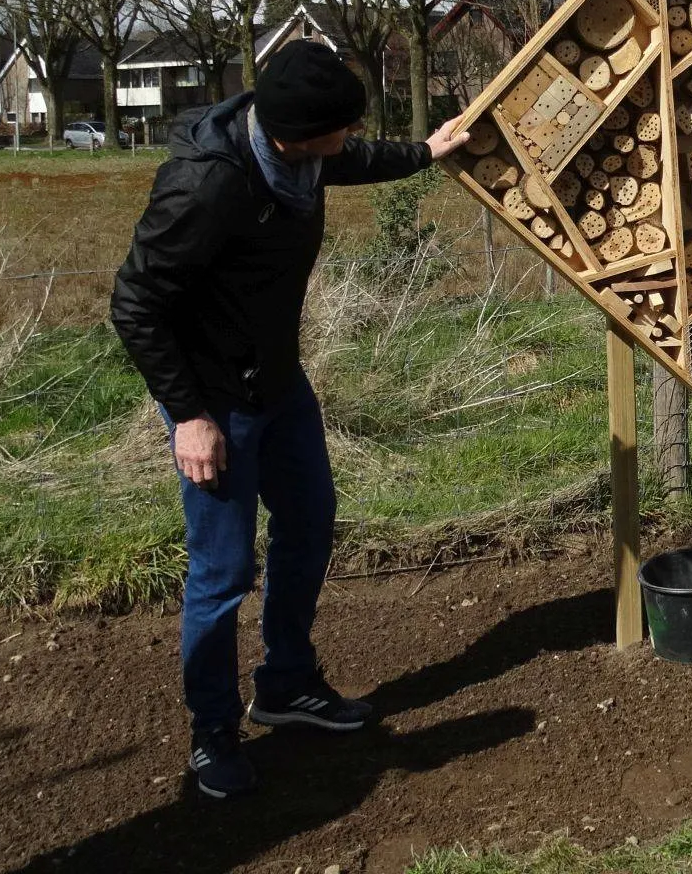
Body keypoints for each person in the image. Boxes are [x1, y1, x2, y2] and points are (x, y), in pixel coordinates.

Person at [110, 41, 469, 797]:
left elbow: (352, 156)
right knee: (222, 573)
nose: (346, 140)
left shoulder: (299, 151)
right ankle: (212, 736)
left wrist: (425, 152)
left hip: (277, 382)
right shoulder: (206, 189)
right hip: (215, 404)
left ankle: (284, 684)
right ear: (296, 134)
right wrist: (187, 417)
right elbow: (136, 303)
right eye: (338, 129)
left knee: (310, 524)